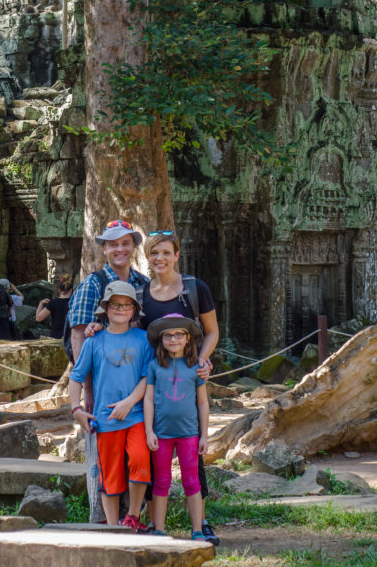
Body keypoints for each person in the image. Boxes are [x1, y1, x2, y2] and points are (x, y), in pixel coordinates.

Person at [140, 230, 220, 545]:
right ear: (147, 258)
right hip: (152, 374)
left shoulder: (194, 288)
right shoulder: (141, 292)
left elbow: (211, 332)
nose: (159, 259)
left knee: (192, 460)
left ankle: (200, 523)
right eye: (153, 253)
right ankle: (152, 523)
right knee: (151, 454)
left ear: (176, 255)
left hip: (188, 374)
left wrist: (200, 361)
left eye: (165, 252)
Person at [67, 219, 149, 523]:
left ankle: (135, 518)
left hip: (137, 388)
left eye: (125, 243)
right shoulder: (93, 283)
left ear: (133, 247)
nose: (120, 249)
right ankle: (103, 523)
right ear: (104, 248)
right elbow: (78, 335)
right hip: (100, 390)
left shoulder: (142, 284)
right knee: (103, 464)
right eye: (113, 243)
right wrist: (87, 391)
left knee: (139, 459)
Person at [144, 314, 210, 541]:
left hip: (189, 434)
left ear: (188, 338)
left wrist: (204, 436)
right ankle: (160, 530)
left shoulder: (196, 368)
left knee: (192, 480)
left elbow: (202, 402)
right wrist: (149, 431)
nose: (174, 339)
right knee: (161, 481)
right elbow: (149, 400)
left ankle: (197, 530)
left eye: (179, 334)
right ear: (161, 340)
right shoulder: (154, 366)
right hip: (161, 435)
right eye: (168, 335)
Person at [36, 274, 73, 339]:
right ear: (71, 290)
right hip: (70, 338)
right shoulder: (74, 303)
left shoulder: (53, 303)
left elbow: (38, 318)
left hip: (55, 337)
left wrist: (41, 303)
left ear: (59, 290)